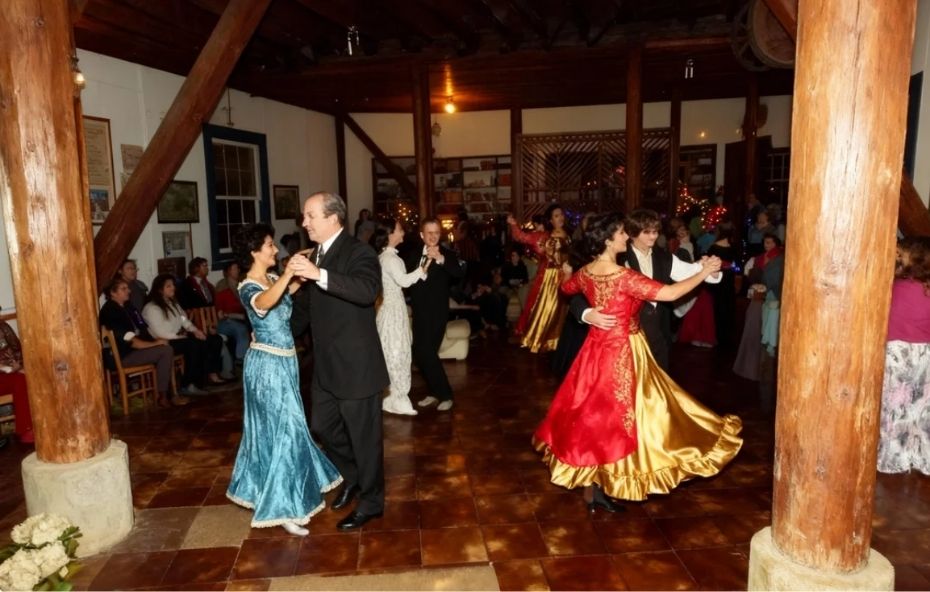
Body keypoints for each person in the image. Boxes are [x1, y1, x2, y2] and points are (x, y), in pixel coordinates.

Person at [533, 213, 742, 509]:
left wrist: (574, 282)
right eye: (620, 233)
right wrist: (701, 273)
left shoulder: (589, 271)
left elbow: (566, 288)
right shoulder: (623, 276)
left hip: (595, 351)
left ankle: (598, 486)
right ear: (608, 240)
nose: (625, 237)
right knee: (627, 417)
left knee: (598, 419)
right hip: (623, 352)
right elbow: (669, 293)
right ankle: (607, 484)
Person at [225, 224, 342, 536]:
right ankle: (283, 507)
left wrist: (301, 270)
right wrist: (289, 275)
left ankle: (274, 492)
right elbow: (263, 304)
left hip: (286, 363)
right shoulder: (248, 286)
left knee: (282, 431)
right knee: (283, 432)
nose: (275, 250)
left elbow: (284, 293)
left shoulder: (274, 279)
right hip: (266, 369)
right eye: (268, 245)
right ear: (254, 252)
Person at [290, 191, 389, 531]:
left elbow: (365, 291)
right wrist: (275, 332)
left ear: (333, 218)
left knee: (365, 439)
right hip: (327, 367)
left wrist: (319, 274)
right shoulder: (315, 253)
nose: (304, 223)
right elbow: (307, 308)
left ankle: (372, 502)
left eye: (310, 216)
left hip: (357, 367)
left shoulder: (358, 251)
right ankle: (354, 476)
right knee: (322, 427)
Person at [623, 209, 721, 371]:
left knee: (659, 379)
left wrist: (711, 269)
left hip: (657, 330)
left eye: (655, 231)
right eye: (646, 232)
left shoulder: (664, 256)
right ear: (633, 233)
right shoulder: (619, 257)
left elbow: (689, 271)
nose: (653, 236)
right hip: (627, 332)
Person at [877, 236, 930, 475]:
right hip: (922, 353)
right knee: (920, 407)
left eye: (902, 253)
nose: (898, 257)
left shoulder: (895, 286)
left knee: (895, 405)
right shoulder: (912, 286)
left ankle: (894, 457)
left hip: (898, 352)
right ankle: (919, 456)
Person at [403, 218, 465, 412]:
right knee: (420, 354)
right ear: (422, 235)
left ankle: (446, 395)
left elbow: (458, 274)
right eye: (428, 232)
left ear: (440, 234)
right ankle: (434, 392)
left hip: (437, 313)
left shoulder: (448, 254)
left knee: (428, 352)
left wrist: (440, 259)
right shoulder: (413, 255)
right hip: (419, 312)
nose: (432, 236)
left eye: (436, 232)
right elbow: (406, 280)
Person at [370, 219, 429, 416]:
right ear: (390, 234)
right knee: (397, 353)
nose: (403, 232)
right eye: (399, 229)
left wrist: (423, 264)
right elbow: (403, 281)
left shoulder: (385, 257)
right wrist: (423, 268)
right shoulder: (390, 259)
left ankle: (390, 398)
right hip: (393, 311)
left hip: (390, 310)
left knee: (391, 352)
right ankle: (398, 399)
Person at [99, 279, 186, 408]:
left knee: (166, 346)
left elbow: (143, 328)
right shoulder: (110, 311)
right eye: (123, 289)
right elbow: (129, 340)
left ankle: (170, 392)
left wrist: (157, 340)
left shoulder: (129, 306)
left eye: (127, 288)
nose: (129, 291)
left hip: (135, 349)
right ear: (113, 293)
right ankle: (163, 396)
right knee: (165, 351)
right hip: (123, 355)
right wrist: (155, 344)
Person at [142, 274, 225, 394]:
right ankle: (187, 384)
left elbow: (184, 320)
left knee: (214, 339)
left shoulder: (173, 304)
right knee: (193, 345)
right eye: (168, 286)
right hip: (163, 342)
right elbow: (160, 332)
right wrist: (180, 336)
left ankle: (208, 376)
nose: (173, 288)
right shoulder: (151, 308)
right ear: (160, 289)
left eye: (173, 285)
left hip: (177, 337)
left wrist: (196, 331)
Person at [507, 204, 572, 353]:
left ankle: (558, 341)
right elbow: (522, 237)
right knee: (549, 310)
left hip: (566, 275)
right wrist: (513, 224)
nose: (560, 217)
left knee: (561, 311)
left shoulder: (566, 234)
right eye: (556, 216)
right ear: (550, 220)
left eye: (561, 214)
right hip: (552, 278)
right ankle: (542, 340)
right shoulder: (545, 237)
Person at [733, 234, 782, 380]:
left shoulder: (779, 259)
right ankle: (752, 367)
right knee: (753, 331)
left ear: (776, 243)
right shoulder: (759, 258)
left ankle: (761, 370)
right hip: (758, 299)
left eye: (770, 242)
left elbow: (774, 280)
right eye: (765, 242)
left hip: (771, 299)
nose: (767, 245)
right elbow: (752, 275)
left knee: (764, 334)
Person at [0, 321, 34, 441]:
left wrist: (18, 365)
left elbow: (18, 349)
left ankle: (26, 429)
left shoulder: (3, 327)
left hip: (8, 374)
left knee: (21, 379)